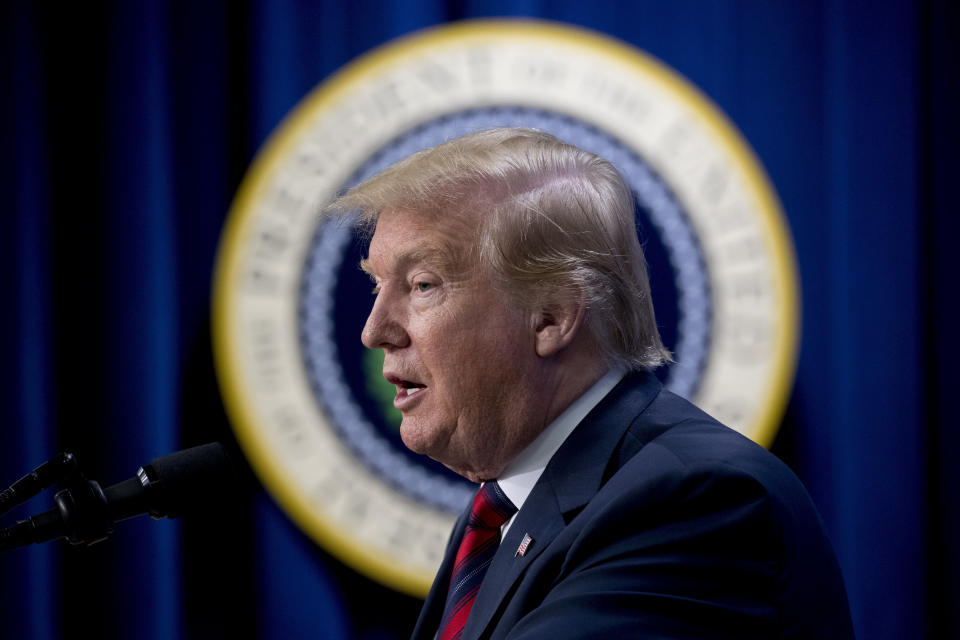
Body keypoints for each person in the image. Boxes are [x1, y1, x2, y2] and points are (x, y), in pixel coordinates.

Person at [331, 128, 854, 639]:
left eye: (423, 285)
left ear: (552, 316)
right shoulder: (503, 511)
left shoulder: (696, 501)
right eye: (377, 286)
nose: (374, 330)